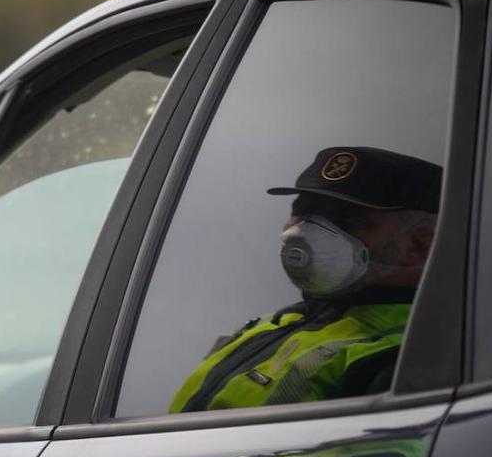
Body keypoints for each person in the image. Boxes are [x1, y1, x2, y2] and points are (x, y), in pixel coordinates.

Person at [171, 146, 441, 413]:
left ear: (419, 245)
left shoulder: (406, 360)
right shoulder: (275, 323)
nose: (303, 232)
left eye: (346, 219)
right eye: (303, 211)